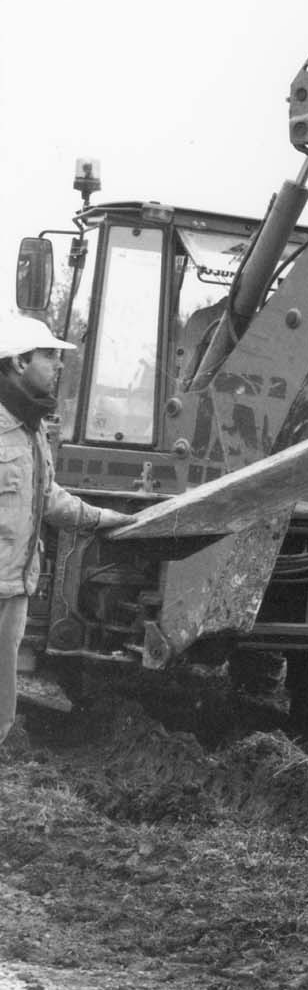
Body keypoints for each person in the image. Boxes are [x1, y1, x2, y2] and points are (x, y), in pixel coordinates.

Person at [0, 313, 135, 749]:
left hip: (13, 587)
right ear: (19, 363)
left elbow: (47, 496)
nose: (59, 366)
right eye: (50, 356)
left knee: (2, 709)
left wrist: (100, 518)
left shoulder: (31, 429)